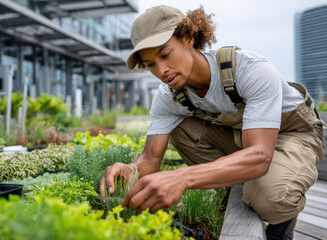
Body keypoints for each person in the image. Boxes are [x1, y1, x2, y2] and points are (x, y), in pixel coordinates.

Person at [100, 5, 325, 239]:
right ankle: (244, 181)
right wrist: (131, 170)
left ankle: (282, 216)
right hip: (246, 138)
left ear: (188, 38)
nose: (162, 71)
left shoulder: (250, 69)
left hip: (292, 135)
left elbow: (259, 155)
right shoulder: (169, 97)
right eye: (150, 65)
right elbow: (150, 158)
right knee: (178, 126)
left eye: (165, 55)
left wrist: (182, 177)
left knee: (271, 198)